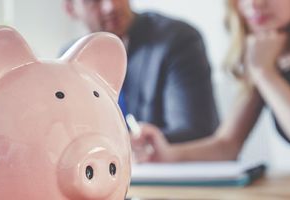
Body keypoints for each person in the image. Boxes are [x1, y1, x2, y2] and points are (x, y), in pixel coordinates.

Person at [131, 0, 290, 172]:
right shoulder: (270, 46)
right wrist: (165, 155)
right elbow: (227, 145)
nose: (254, 4)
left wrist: (265, 73)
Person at [64, 0, 219, 143]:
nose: (111, 6)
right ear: (70, 8)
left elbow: (195, 131)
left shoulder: (178, 40)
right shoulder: (69, 60)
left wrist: (123, 146)